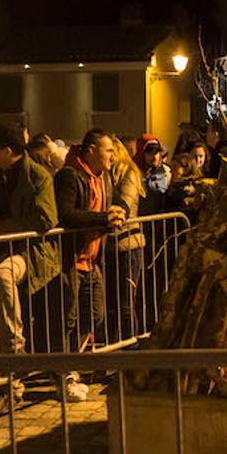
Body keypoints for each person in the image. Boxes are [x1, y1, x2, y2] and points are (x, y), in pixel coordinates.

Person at [0, 124, 61, 360]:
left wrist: (1, 227)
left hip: (29, 251)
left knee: (1, 277)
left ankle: (15, 351)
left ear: (7, 150)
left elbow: (46, 219)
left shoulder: (38, 175)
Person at [55, 130, 126, 400]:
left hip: (93, 259)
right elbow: (67, 214)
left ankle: (75, 365)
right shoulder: (69, 176)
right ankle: (64, 375)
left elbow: (113, 206)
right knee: (68, 319)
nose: (113, 156)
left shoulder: (104, 177)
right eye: (109, 151)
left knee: (95, 314)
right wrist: (103, 219)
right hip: (71, 260)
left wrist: (120, 213)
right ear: (92, 150)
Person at [105, 135, 146, 341]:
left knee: (125, 303)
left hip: (127, 244)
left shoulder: (128, 174)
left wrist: (109, 214)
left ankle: (129, 349)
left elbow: (125, 207)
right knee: (113, 304)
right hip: (111, 245)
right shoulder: (106, 177)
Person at [134, 134, 170, 216]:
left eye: (156, 152)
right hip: (141, 219)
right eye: (150, 153)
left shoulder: (166, 172)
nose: (154, 157)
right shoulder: (134, 173)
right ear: (142, 154)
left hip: (160, 220)